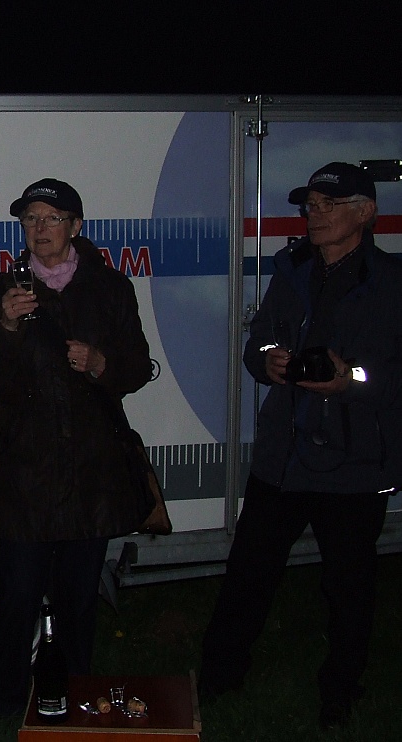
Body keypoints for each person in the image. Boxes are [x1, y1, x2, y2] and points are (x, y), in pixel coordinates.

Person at [199, 162, 402, 728]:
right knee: (248, 575)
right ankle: (216, 682)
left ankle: (340, 692)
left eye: (327, 205)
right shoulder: (290, 269)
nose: (314, 215)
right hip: (283, 459)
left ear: (365, 213)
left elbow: (392, 377)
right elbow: (258, 343)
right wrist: (268, 360)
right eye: (310, 205)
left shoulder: (392, 283)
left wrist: (348, 379)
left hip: (355, 464)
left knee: (349, 589)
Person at [0, 178, 152, 717]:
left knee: (78, 603)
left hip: (91, 474)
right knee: (17, 600)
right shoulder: (2, 291)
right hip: (27, 475)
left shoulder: (111, 288)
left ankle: (76, 703)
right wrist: (5, 326)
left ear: (75, 226)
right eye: (30, 219)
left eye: (52, 218)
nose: (40, 228)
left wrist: (100, 363)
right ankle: (5, 708)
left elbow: (137, 367)